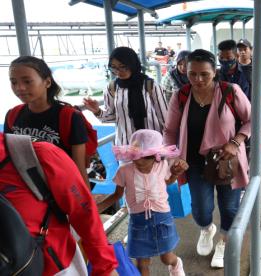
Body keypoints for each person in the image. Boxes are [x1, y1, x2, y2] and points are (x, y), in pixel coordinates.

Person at [163, 49, 251, 268]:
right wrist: (172, 157)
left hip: (226, 160)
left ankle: (223, 241)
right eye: (192, 74)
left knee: (229, 207)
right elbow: (170, 131)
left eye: (204, 74)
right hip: (193, 162)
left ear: (214, 72)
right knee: (201, 208)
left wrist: (236, 142)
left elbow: (252, 120)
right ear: (185, 71)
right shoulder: (181, 96)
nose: (198, 80)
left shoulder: (231, 91)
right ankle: (207, 228)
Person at [0, 133, 118, 275]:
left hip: (54, 267)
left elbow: (83, 213)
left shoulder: (38, 154)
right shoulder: (15, 116)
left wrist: (105, 267)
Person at [97, 129, 188, 276]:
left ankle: (176, 264)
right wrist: (96, 209)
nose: (138, 160)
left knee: (166, 258)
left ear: (156, 156)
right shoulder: (124, 170)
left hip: (162, 218)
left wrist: (175, 174)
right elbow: (117, 195)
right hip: (138, 222)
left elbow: (168, 181)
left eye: (144, 157)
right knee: (142, 263)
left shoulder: (163, 166)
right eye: (135, 155)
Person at [4, 56, 90, 188]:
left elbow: (79, 167)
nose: (19, 88)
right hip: (27, 190)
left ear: (47, 82)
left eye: (27, 81)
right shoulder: (12, 115)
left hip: (60, 190)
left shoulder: (69, 117)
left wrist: (86, 203)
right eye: (14, 82)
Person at [83, 47, 167, 146]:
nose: (118, 71)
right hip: (126, 146)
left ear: (132, 65)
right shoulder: (112, 88)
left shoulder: (150, 85)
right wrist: (97, 111)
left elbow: (164, 117)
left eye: (123, 66)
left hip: (152, 145)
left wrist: (168, 144)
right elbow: (113, 116)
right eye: (113, 67)